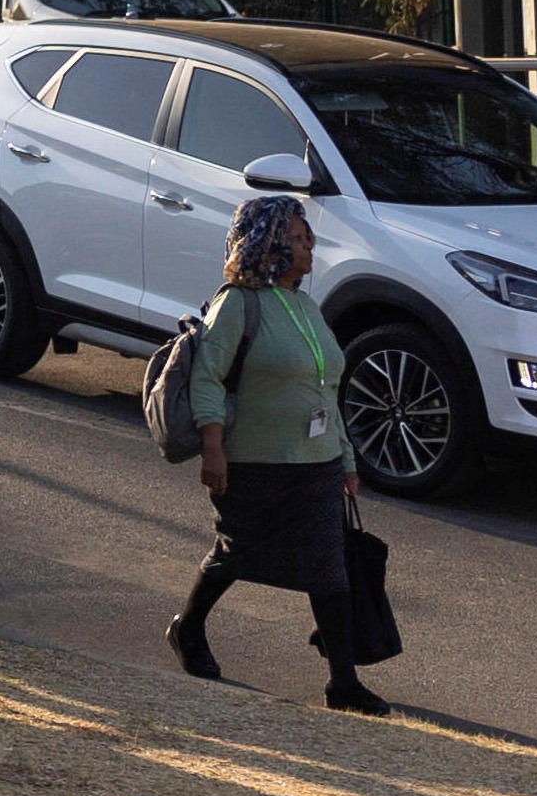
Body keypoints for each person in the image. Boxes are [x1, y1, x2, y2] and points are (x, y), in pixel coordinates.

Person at [166, 193, 388, 715]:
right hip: (252, 463)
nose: (309, 247)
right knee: (233, 553)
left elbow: (324, 390)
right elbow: (207, 380)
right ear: (268, 244)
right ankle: (188, 628)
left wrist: (347, 461)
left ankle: (343, 683)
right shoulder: (236, 304)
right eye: (297, 238)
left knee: (328, 568)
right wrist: (213, 449)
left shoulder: (306, 306)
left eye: (308, 238)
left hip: (316, 465)